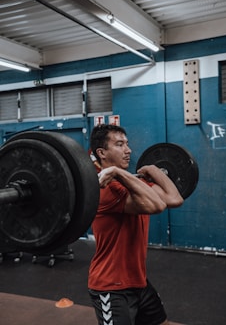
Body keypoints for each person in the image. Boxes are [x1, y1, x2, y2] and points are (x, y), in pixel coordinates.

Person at [88, 124, 184, 325]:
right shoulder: (106, 190)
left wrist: (153, 169)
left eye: (127, 144)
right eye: (120, 144)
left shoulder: (131, 183)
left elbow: (175, 199)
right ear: (102, 153)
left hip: (138, 281)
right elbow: (158, 205)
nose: (128, 150)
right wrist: (119, 173)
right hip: (110, 286)